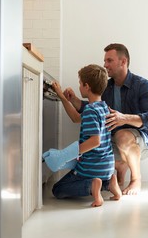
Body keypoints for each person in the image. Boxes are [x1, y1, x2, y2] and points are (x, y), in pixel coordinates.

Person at [62, 43, 148, 195]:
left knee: (122, 135)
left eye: (109, 60)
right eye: (105, 61)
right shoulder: (107, 87)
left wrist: (124, 118)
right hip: (113, 142)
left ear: (123, 61)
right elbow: (91, 109)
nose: (105, 65)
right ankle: (119, 168)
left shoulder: (143, 86)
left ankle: (136, 180)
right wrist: (73, 99)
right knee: (96, 147)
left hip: (142, 141)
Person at [43, 64, 122, 207]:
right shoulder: (103, 107)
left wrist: (69, 154)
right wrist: (62, 96)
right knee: (88, 175)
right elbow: (75, 117)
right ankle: (109, 184)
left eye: (80, 84)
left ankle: (92, 186)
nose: (79, 87)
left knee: (58, 189)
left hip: (91, 167)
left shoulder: (90, 111)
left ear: (87, 86)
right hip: (106, 167)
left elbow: (95, 141)